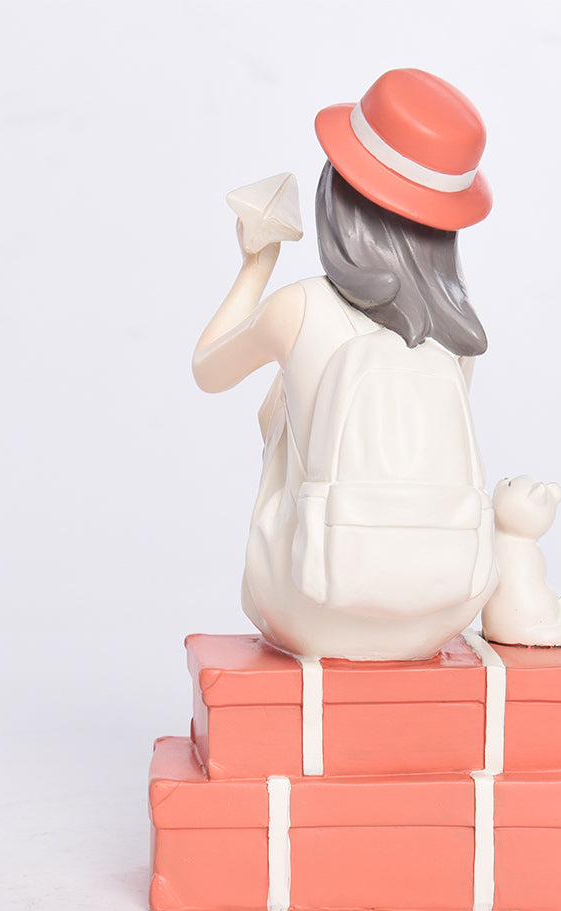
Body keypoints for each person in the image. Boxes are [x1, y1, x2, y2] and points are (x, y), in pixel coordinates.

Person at [192, 69, 498, 660]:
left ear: (338, 198)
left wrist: (256, 263)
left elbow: (208, 370)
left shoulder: (299, 306)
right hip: (444, 606)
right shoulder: (457, 334)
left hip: (310, 606)